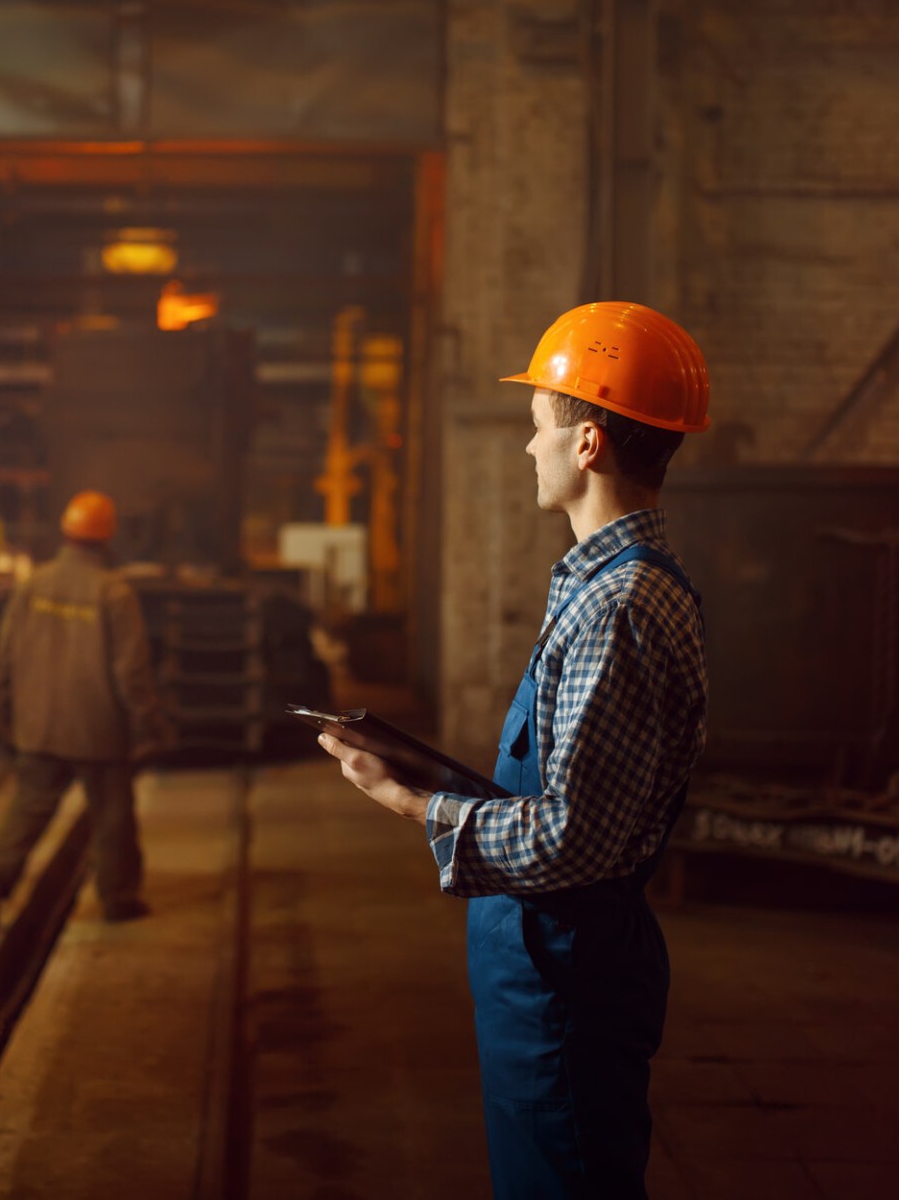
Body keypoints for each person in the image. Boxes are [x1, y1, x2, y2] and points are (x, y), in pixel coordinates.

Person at [319, 301, 710, 1199]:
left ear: (587, 447)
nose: (526, 448)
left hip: (563, 965)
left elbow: (574, 839)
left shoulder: (616, 607)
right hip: (553, 953)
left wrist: (414, 802)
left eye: (538, 426)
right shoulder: (607, 585)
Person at [0, 489, 165, 929]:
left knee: (27, 812)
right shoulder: (114, 593)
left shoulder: (33, 584)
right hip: (98, 732)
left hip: (39, 728)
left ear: (65, 532)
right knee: (113, 817)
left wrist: (1, 710)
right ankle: (118, 898)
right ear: (107, 538)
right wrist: (149, 725)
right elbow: (131, 673)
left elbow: (3, 657)